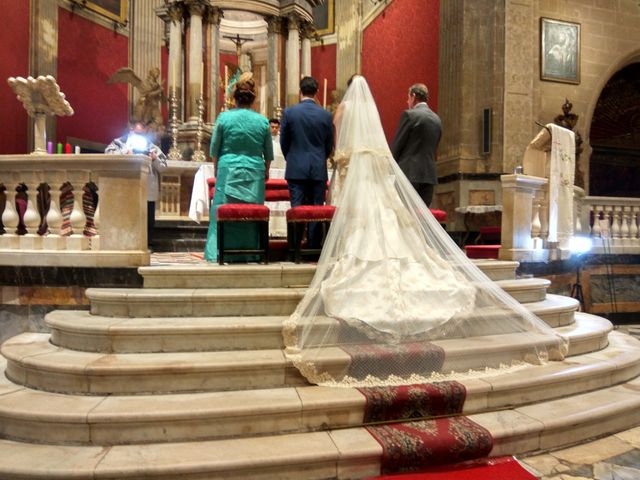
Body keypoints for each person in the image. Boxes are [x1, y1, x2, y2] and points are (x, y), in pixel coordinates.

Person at [283, 76, 567, 387]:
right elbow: (389, 150)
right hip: (416, 173)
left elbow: (379, 146)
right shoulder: (433, 118)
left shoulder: (352, 113)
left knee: (360, 223)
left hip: (375, 170)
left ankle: (316, 246)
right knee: (395, 221)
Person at [203, 72, 274, 263]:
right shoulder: (262, 121)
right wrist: (265, 171)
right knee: (251, 213)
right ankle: (250, 251)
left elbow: (215, 149)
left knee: (223, 212)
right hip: (254, 171)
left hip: (228, 170)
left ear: (234, 98)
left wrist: (218, 170)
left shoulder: (224, 119)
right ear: (253, 99)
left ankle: (218, 251)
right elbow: (268, 154)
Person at [280, 76, 334, 247]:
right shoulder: (325, 115)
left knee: (297, 208)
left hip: (296, 167)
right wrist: (320, 158)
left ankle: (295, 247)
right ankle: (313, 246)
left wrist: (292, 158)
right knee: (317, 209)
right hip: (318, 167)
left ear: (300, 91)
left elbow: (283, 141)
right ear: (317, 92)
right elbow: (329, 143)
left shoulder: (290, 112)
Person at [105, 121, 167, 250]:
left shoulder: (152, 147)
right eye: (138, 133)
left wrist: (155, 158)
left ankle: (146, 245)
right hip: (126, 188)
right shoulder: (119, 143)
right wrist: (126, 153)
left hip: (147, 189)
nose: (140, 137)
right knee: (126, 218)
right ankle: (124, 244)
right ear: (131, 130)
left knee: (148, 220)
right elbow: (107, 155)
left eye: (143, 134)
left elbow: (164, 168)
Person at [391, 83, 441, 207]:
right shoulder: (437, 119)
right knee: (422, 218)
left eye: (408, 98)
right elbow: (434, 147)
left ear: (413, 96)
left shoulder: (409, 115)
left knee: (404, 215)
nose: (407, 102)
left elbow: (397, 145)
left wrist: (391, 169)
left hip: (409, 173)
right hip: (429, 176)